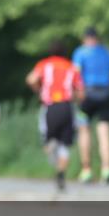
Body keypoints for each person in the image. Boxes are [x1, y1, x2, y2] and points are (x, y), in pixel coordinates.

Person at [26, 40, 85, 191]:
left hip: (49, 106)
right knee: (65, 144)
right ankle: (61, 173)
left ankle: (51, 146)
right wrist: (76, 99)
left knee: (48, 139)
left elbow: (31, 79)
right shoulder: (71, 67)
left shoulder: (44, 64)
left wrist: (39, 90)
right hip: (66, 107)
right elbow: (81, 92)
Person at [71, 27, 109, 184]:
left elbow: (76, 74)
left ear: (84, 38)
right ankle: (107, 169)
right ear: (97, 38)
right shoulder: (107, 53)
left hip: (87, 96)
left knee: (84, 131)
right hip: (105, 95)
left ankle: (86, 170)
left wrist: (76, 93)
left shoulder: (80, 52)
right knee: (104, 133)